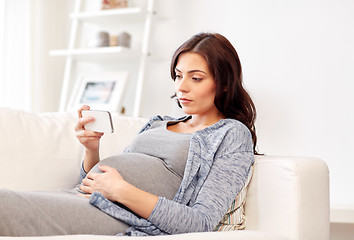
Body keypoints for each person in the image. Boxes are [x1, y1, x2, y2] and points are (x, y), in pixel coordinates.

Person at [0, 32, 257, 236]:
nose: (181, 87)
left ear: (224, 84)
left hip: (118, 214)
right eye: (178, 76)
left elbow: (200, 222)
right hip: (82, 197)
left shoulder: (231, 134)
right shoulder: (158, 122)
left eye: (196, 78)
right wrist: (92, 150)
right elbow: (94, 181)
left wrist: (121, 191)